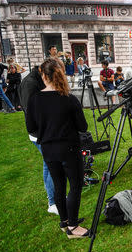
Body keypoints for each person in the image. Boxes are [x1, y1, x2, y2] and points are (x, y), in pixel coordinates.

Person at [26, 58, 89, 238]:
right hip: (68, 148)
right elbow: (82, 126)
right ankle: (73, 226)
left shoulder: (35, 99)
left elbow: (31, 128)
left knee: (60, 186)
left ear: (44, 76)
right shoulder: (68, 99)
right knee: (75, 186)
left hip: (49, 149)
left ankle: (65, 221)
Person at [17, 65, 58, 215]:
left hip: (42, 132)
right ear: (44, 73)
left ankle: (54, 198)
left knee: (48, 165)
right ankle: (53, 202)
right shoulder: (30, 84)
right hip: (40, 134)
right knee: (52, 165)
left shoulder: (34, 80)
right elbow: (32, 112)